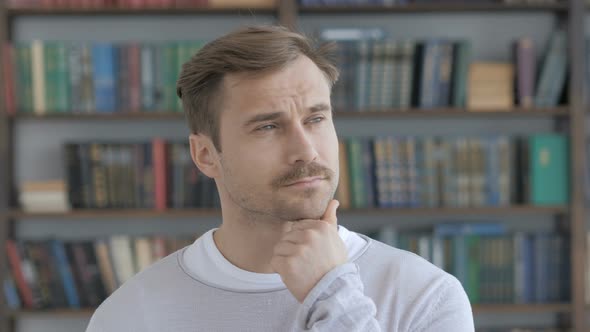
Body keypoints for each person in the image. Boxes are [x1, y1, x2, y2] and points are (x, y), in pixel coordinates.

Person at [86, 25, 474, 332]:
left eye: (316, 119)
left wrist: (334, 297)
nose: (306, 150)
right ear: (205, 155)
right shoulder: (131, 315)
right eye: (268, 126)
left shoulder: (424, 296)